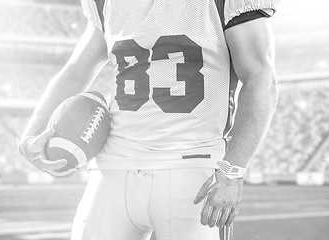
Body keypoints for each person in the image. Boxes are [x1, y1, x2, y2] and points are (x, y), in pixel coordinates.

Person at [18, 0, 278, 239]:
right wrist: (30, 134)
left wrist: (233, 170)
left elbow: (261, 79)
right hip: (114, 168)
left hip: (192, 171)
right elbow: (77, 69)